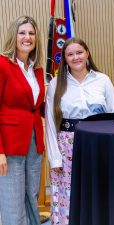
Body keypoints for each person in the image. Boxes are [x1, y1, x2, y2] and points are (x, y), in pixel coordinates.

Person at [45, 37, 114, 225]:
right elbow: (51, 124)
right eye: (70, 54)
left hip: (98, 144)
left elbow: (113, 117)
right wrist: (55, 158)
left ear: (87, 53)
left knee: (98, 189)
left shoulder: (102, 80)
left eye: (79, 52)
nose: (75, 57)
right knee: (68, 193)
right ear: (65, 59)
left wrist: (113, 150)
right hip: (67, 147)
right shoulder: (56, 84)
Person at [0, 16, 45, 225]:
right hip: (10, 146)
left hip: (35, 143)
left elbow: (38, 107)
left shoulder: (36, 70)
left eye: (31, 33)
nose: (27, 37)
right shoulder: (2, 65)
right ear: (13, 36)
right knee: (12, 201)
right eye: (22, 33)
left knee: (32, 196)